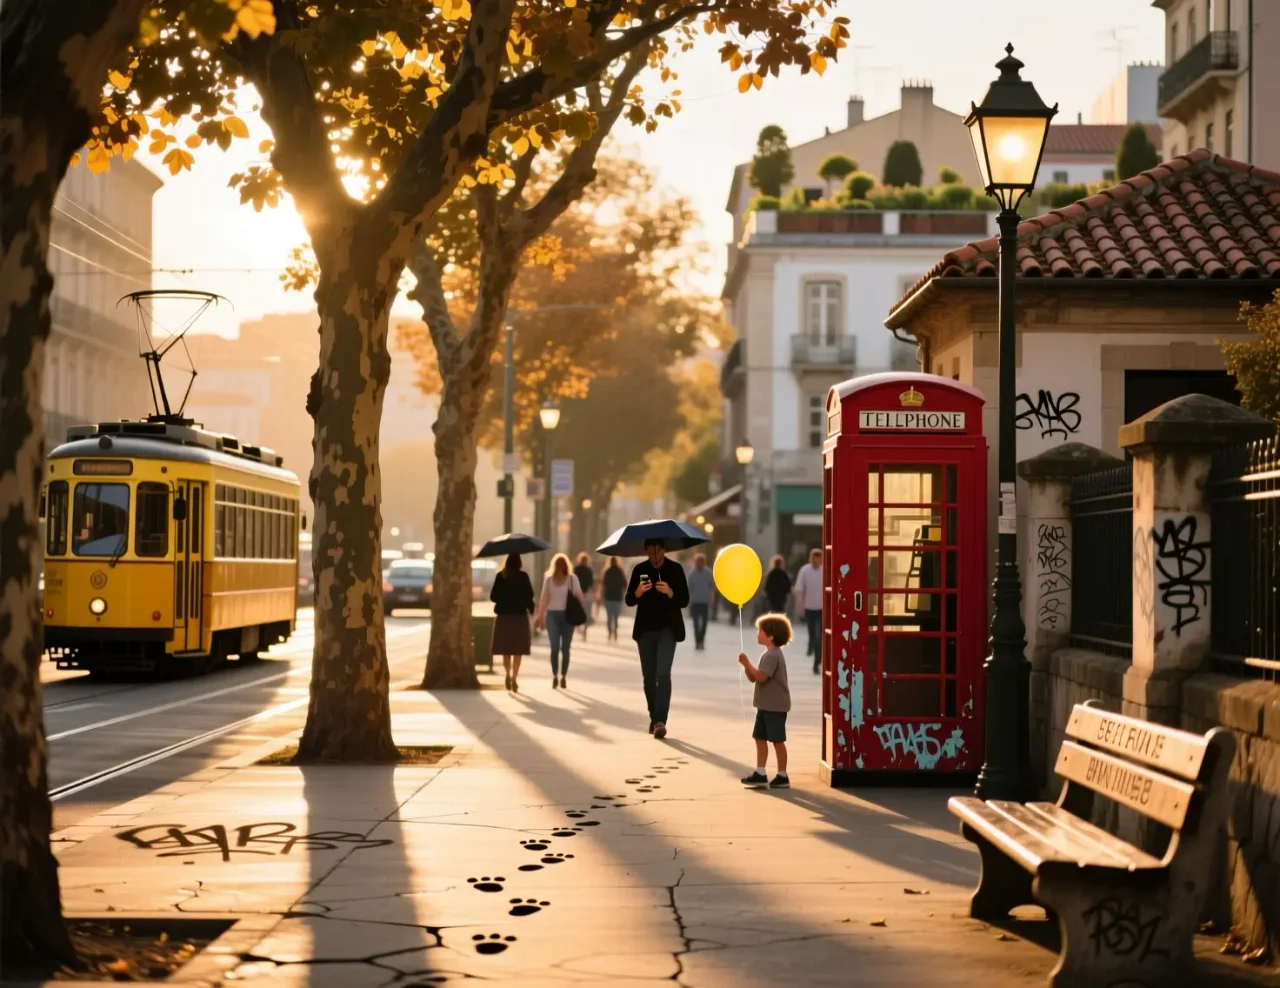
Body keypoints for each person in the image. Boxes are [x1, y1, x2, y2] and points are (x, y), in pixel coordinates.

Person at [625, 539, 690, 739]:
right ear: (645, 551)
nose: (654, 557)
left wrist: (670, 592)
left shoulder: (675, 569)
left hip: (668, 630)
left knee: (663, 674)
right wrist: (638, 592)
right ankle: (654, 717)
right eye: (651, 553)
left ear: (664, 550)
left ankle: (661, 719)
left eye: (658, 552)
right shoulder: (639, 569)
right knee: (648, 678)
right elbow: (629, 600)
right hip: (645, 630)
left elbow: (684, 600)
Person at [738, 614, 792, 789]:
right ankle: (760, 772)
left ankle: (782, 775)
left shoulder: (773, 655)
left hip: (775, 706)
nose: (757, 633)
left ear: (771, 636)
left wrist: (747, 663)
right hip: (765, 705)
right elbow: (754, 677)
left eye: (760, 631)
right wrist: (747, 667)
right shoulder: (767, 654)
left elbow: (761, 676)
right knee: (760, 737)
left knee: (777, 740)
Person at [534, 553, 584, 689]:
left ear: (566, 565)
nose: (560, 567)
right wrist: (540, 616)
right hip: (552, 616)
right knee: (554, 647)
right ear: (554, 565)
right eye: (558, 564)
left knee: (566, 647)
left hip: (568, 617)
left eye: (562, 564)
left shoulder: (572, 579)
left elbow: (580, 597)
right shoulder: (549, 579)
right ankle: (555, 675)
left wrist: (576, 602)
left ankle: (564, 676)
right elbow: (544, 598)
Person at [490, 553, 535, 692]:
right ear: (519, 563)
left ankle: (507, 674)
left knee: (506, 650)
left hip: (504, 617)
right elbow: (530, 596)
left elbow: (493, 596)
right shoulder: (523, 576)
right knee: (518, 650)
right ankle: (514, 677)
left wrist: (504, 597)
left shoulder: (500, 576)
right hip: (519, 617)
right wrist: (532, 610)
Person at [793, 548, 824, 674]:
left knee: (819, 637)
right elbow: (800, 589)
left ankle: (817, 662)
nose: (817, 561)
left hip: (822, 609)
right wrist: (800, 605)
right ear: (811, 559)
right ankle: (810, 645)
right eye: (815, 559)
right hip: (809, 607)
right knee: (812, 632)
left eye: (819, 559)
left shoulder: (825, 571)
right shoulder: (805, 570)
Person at [686, 552, 713, 650]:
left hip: (705, 602)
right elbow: (689, 589)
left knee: (705, 623)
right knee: (696, 623)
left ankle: (701, 640)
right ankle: (697, 642)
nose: (699, 564)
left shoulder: (709, 573)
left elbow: (711, 587)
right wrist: (689, 603)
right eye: (697, 562)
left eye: (701, 562)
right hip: (695, 602)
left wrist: (711, 599)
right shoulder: (692, 574)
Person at [602, 556, 626, 641]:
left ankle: (610, 632)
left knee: (609, 616)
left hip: (608, 597)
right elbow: (624, 584)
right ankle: (615, 631)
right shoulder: (620, 571)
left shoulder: (607, 571)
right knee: (616, 617)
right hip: (617, 597)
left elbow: (604, 584)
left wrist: (602, 596)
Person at [573, 552, 596, 641]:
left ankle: (582, 629)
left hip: (579, 593)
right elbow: (591, 583)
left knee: (582, 612)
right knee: (586, 613)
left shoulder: (577, 569)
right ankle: (583, 629)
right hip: (584, 593)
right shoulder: (588, 570)